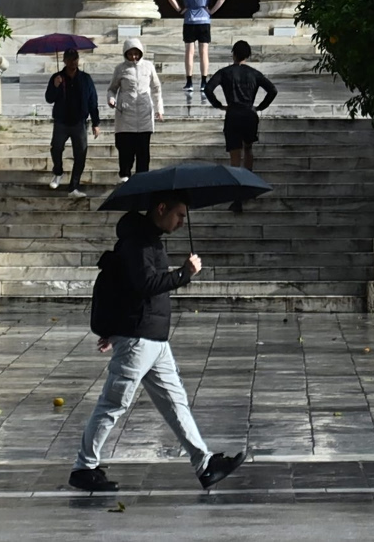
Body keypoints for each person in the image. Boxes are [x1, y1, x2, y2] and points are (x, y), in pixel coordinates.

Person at [69, 192, 246, 492]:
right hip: (139, 340)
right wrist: (184, 273)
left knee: (176, 403)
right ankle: (84, 467)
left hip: (153, 339)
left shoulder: (148, 240)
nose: (181, 222)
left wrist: (117, 331)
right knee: (113, 404)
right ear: (161, 208)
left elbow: (131, 289)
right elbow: (145, 285)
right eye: (179, 215)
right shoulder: (137, 242)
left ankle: (204, 465)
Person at [203, 41, 278, 213]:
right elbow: (272, 90)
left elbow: (208, 89)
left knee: (235, 155)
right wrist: (260, 107)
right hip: (249, 114)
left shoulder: (225, 72)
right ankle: (249, 184)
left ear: (233, 54)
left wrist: (219, 105)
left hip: (233, 114)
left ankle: (237, 196)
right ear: (248, 55)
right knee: (248, 148)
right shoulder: (254, 73)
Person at [45, 49, 100, 198]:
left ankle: (73, 187)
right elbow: (49, 98)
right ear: (64, 61)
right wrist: (55, 86)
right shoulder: (57, 77)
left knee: (80, 154)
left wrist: (96, 123)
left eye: (75, 59)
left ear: (78, 60)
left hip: (79, 122)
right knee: (56, 148)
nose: (72, 62)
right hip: (61, 121)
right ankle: (58, 172)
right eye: (69, 59)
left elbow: (92, 101)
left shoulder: (85, 78)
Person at [107, 38, 163, 182]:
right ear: (125, 54)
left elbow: (156, 89)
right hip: (126, 116)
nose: (133, 57)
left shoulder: (148, 67)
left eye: (136, 53)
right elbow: (112, 89)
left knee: (143, 153)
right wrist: (111, 99)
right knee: (126, 152)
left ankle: (142, 181)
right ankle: (124, 176)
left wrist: (159, 108)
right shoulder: (120, 69)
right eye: (130, 54)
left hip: (144, 116)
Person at [167, 0, 226, 93]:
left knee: (189, 51)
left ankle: (189, 82)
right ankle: (204, 82)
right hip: (204, 19)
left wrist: (180, 9)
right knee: (204, 52)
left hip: (189, 20)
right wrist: (211, 11)